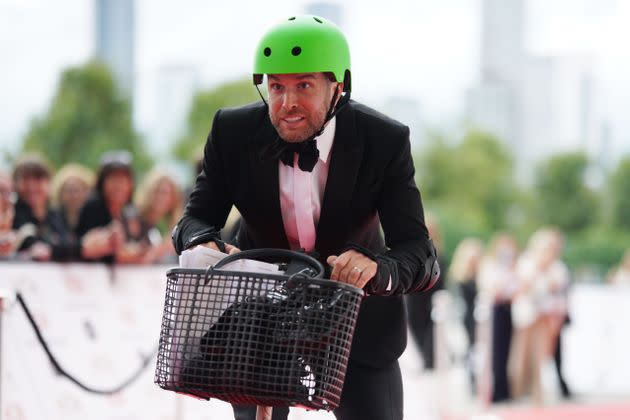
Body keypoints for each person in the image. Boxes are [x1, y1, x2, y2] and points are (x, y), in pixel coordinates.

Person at [172, 15, 439, 420]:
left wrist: (376, 270)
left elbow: (419, 253)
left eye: (304, 86)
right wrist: (201, 242)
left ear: (338, 87)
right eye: (276, 87)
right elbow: (192, 221)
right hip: (258, 322)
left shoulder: (384, 140)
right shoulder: (232, 131)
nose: (287, 103)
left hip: (357, 326)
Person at [75, 150, 147, 264]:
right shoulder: (93, 208)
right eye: (113, 179)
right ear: (102, 183)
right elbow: (90, 249)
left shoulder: (130, 212)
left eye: (123, 179)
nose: (118, 185)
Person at [477, 233, 519, 403]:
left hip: (508, 309)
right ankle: (494, 390)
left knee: (506, 351)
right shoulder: (489, 265)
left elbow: (516, 288)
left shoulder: (512, 267)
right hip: (494, 311)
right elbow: (493, 289)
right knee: (495, 352)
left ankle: (504, 388)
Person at [405, 213, 446, 371]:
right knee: (416, 326)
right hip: (415, 297)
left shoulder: (439, 255)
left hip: (430, 298)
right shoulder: (413, 252)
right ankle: (422, 357)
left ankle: (428, 359)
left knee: (430, 329)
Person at [134, 168, 183, 264]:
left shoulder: (171, 225)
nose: (163, 198)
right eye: (159, 191)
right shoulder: (135, 219)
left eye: (169, 193)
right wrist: (160, 250)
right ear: (149, 192)